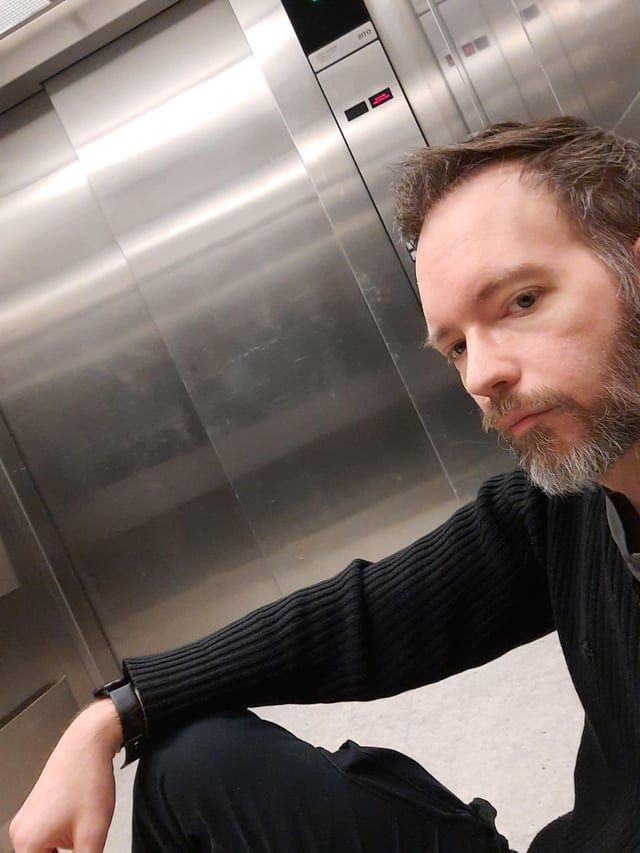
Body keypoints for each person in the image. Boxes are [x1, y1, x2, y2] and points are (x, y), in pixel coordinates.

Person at [10, 116, 640, 852]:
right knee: (197, 768)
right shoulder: (563, 508)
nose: (482, 374)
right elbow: (364, 619)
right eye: (456, 346)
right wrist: (117, 711)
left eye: (521, 301)